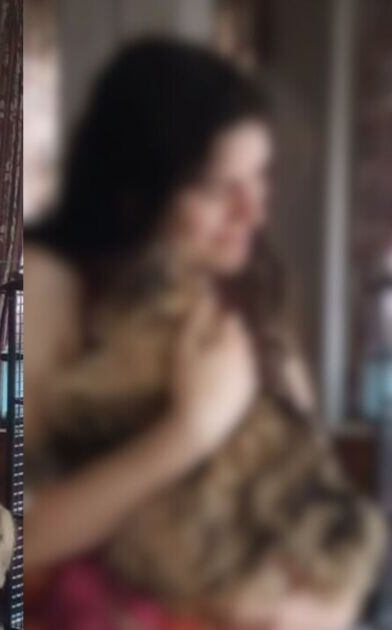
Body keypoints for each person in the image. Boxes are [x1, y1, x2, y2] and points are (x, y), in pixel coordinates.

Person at [24, 38, 359, 630]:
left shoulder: (255, 297)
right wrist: (191, 430)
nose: (252, 213)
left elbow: (318, 507)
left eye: (259, 178)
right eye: (216, 187)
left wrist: (318, 606)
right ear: (137, 191)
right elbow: (16, 540)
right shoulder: (55, 286)